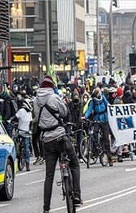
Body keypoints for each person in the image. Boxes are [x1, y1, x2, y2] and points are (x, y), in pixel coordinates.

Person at [33, 76, 82, 213]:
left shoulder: (36, 101)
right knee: (74, 163)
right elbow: (64, 112)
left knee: (49, 175)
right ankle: (77, 195)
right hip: (60, 137)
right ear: (51, 86)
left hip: (46, 140)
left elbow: (36, 118)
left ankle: (46, 208)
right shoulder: (54, 97)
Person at [84, 88, 113, 166]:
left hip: (104, 119)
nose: (99, 94)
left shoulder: (103, 98)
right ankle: (96, 149)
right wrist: (85, 116)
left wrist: (111, 107)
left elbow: (107, 104)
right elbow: (89, 109)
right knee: (94, 133)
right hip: (96, 119)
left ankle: (109, 158)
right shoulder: (93, 101)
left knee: (106, 138)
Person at [15, 100, 33, 171]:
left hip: (21, 131)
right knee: (26, 148)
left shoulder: (21, 111)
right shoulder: (28, 112)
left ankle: (26, 163)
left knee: (25, 147)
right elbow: (31, 123)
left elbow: (15, 117)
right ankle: (27, 164)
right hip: (25, 132)